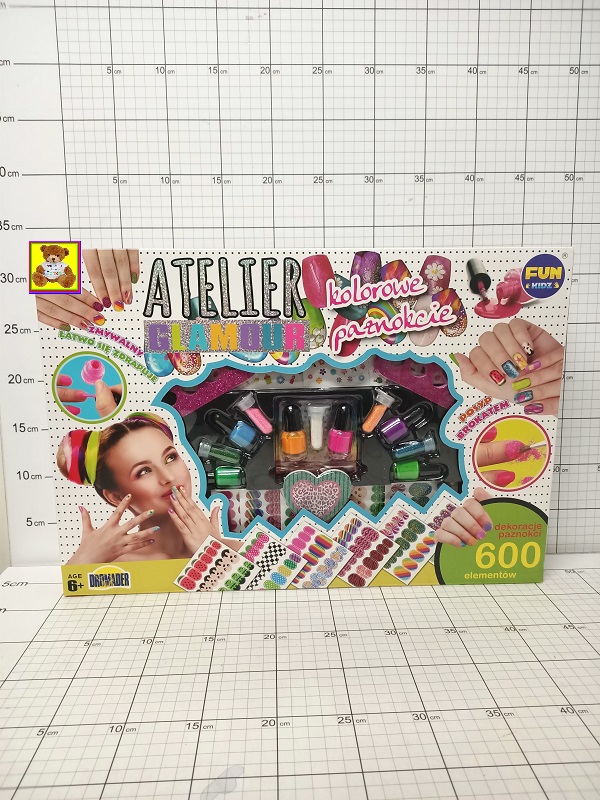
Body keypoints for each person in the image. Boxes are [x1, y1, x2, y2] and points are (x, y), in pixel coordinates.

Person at [57, 412, 239, 564]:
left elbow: (255, 586)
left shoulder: (241, 552)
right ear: (116, 497)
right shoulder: (115, 566)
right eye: (144, 471)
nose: (168, 477)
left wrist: (214, 552)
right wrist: (83, 559)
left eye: (170, 458)